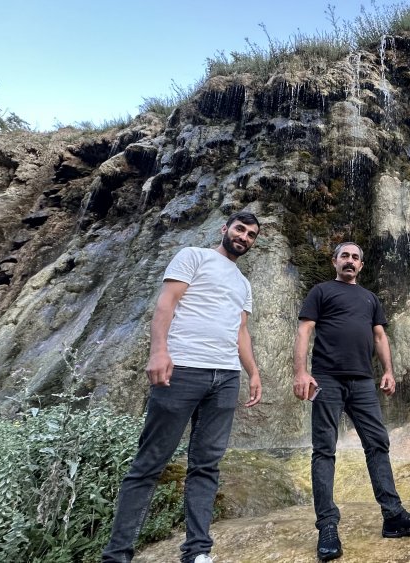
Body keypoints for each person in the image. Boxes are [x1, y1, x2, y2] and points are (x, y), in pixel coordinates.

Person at [102, 211, 264, 563]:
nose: (244, 237)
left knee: (206, 465)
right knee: (150, 462)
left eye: (251, 235)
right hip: (183, 369)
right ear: (225, 229)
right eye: (240, 229)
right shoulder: (193, 256)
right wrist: (158, 351)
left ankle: (197, 551)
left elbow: (241, 331)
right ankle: (117, 555)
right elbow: (167, 303)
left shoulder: (243, 283)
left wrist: (252, 372)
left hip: (225, 376)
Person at [293, 242, 410, 561]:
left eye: (355, 257)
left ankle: (393, 516)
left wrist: (388, 371)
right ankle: (327, 525)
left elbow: (380, 336)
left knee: (378, 443)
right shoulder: (321, 291)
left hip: (362, 382)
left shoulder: (370, 298)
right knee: (324, 449)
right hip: (327, 379)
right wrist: (301, 372)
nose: (350, 261)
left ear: (361, 265)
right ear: (335, 261)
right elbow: (304, 331)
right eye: (345, 256)